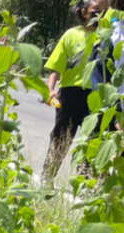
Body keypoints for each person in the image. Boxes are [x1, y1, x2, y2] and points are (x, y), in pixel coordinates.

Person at [43, 0, 101, 181]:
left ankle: (85, 181)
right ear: (84, 12)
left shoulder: (107, 37)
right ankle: (48, 177)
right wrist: (51, 89)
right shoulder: (71, 35)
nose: (99, 16)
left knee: (93, 139)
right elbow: (57, 66)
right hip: (71, 93)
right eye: (95, 11)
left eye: (103, 11)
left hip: (97, 95)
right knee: (62, 135)